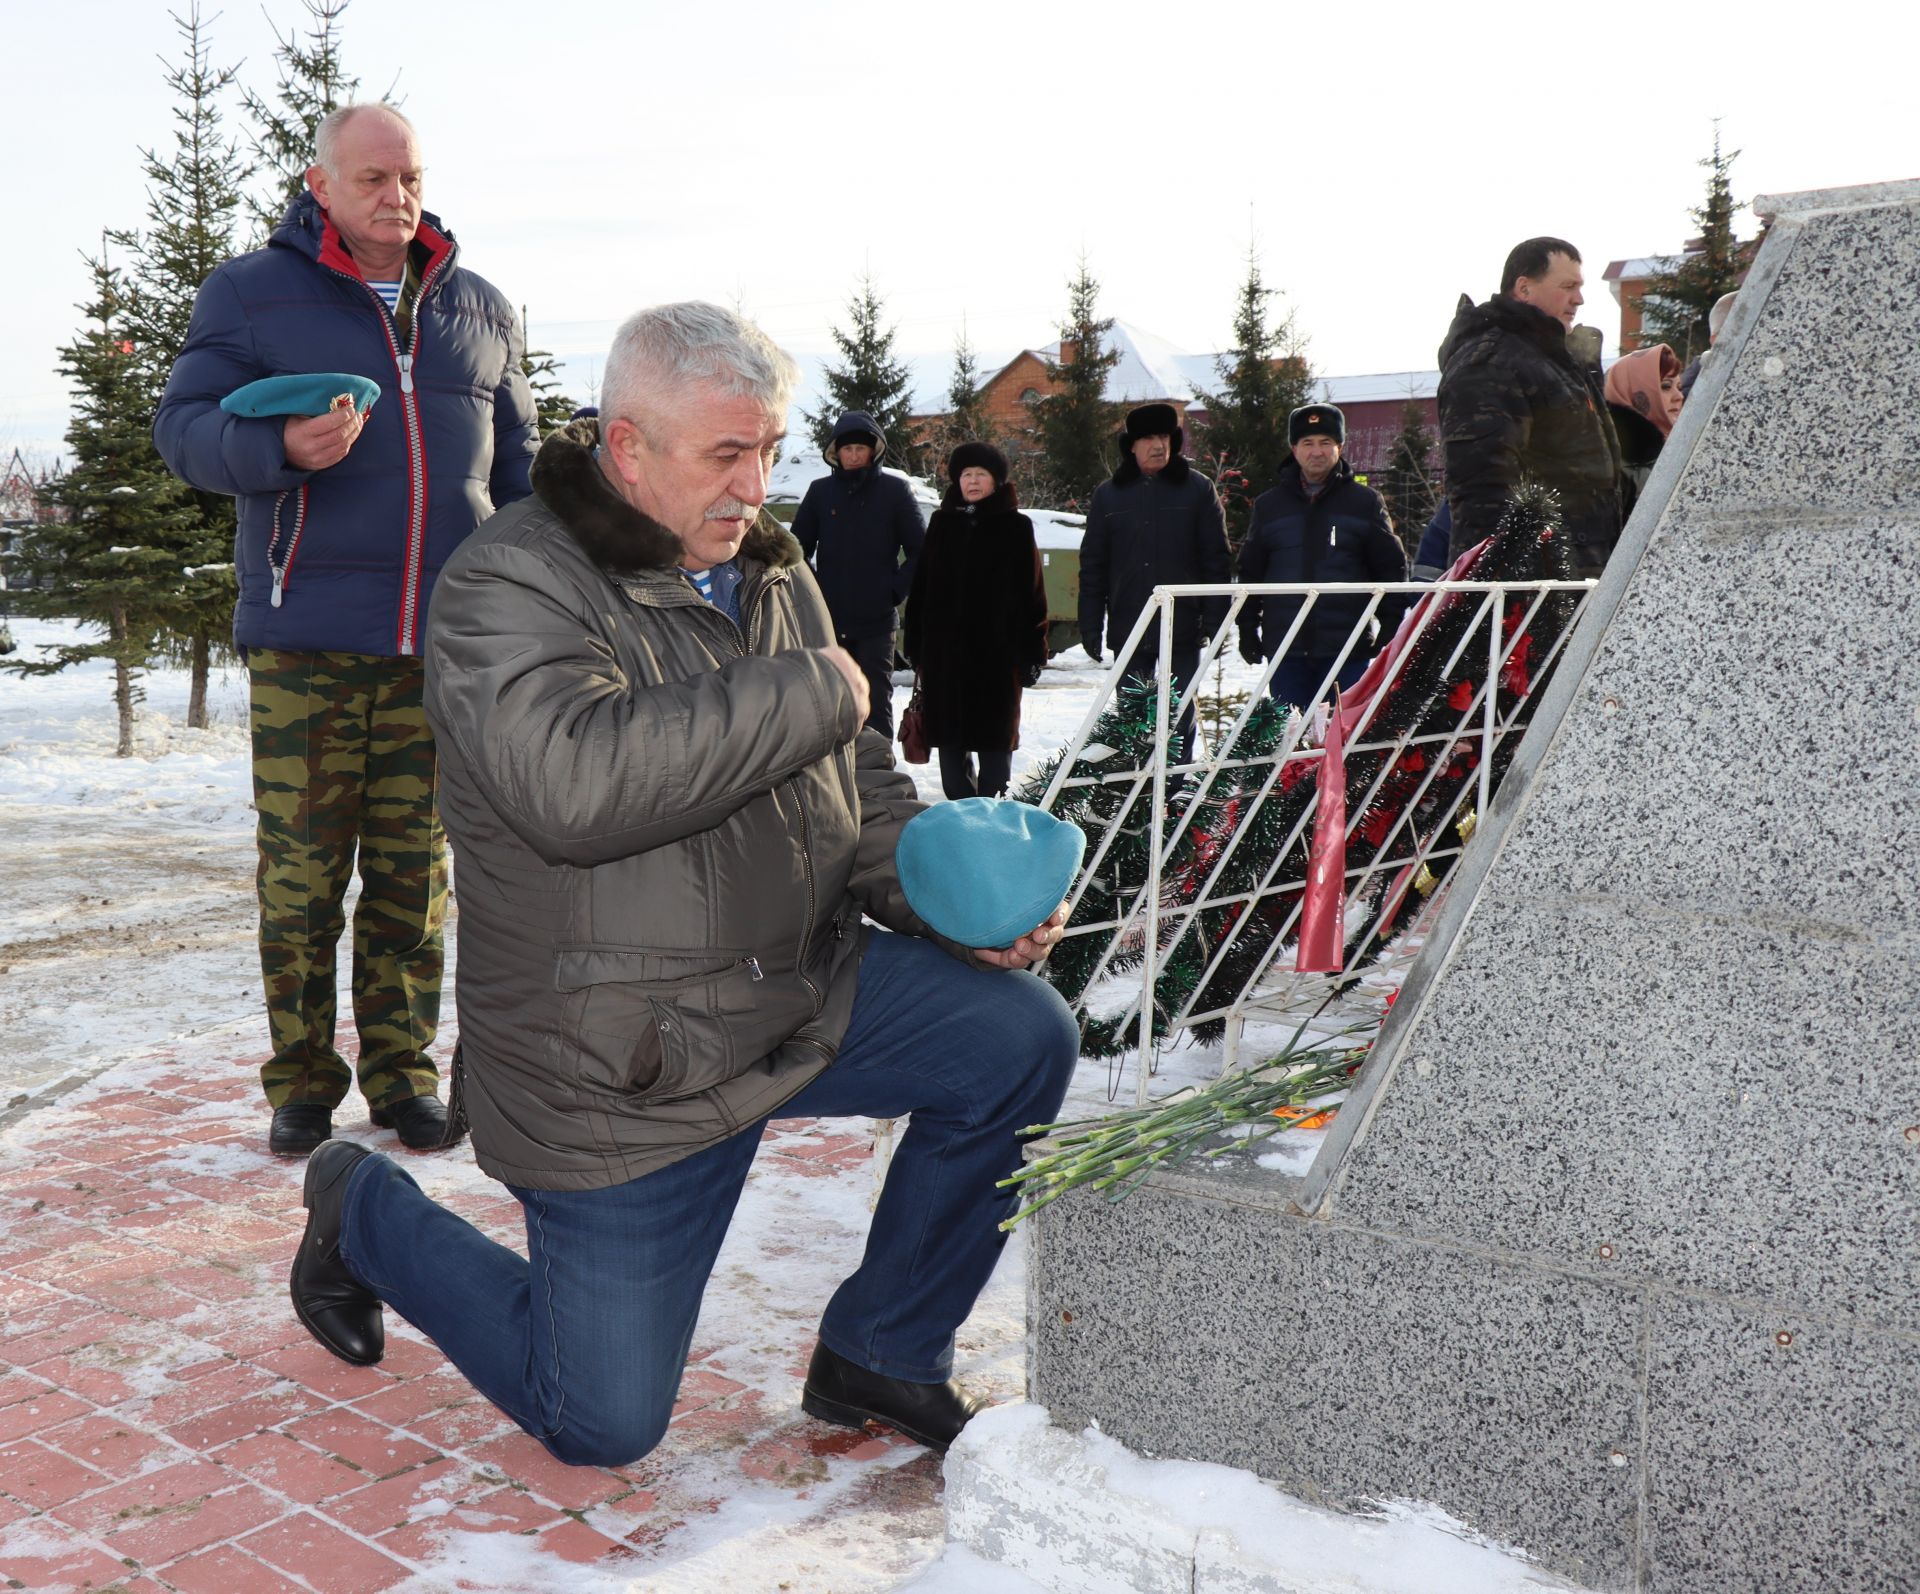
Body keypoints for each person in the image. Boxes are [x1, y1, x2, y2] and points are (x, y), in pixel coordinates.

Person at [286, 302, 1081, 1469]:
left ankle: (884, 1346)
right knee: (599, 1421)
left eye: (768, 449)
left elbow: (855, 781)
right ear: (626, 447)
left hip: (801, 989)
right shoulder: (507, 581)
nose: (755, 485)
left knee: (1018, 1036)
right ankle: (361, 1210)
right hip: (627, 1059)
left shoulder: (767, 567)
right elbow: (577, 785)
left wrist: (945, 908)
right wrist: (817, 688)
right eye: (725, 454)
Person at [154, 103, 537, 1158]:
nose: (394, 196)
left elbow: (520, 482)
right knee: (303, 881)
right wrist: (278, 444)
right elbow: (182, 429)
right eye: (371, 178)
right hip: (306, 641)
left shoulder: (481, 309)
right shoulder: (250, 292)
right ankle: (301, 1085)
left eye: (408, 176)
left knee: (416, 883)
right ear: (318, 182)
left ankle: (405, 1078)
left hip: (439, 653)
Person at [1437, 237, 1622, 578]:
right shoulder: (1492, 363)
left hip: (1582, 568)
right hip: (1536, 585)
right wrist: (1498, 591)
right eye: (1567, 286)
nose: (1578, 299)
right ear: (1524, 288)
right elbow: (1483, 489)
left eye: (1579, 287)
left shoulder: (1556, 360)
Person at [1078, 403, 1231, 757]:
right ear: (1131, 445)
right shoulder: (1109, 495)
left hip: (1183, 625)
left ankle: (1174, 794)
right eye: (1147, 438)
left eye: (1164, 436)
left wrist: (1216, 618)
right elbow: (1094, 563)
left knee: (1179, 715)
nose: (1157, 445)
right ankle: (1136, 792)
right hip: (1128, 622)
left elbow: (1216, 559)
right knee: (1132, 717)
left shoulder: (1197, 489)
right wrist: (1089, 622)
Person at [1236, 405, 1409, 709]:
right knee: (1291, 742)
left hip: (1345, 649)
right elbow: (1251, 572)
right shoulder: (1269, 506)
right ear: (1294, 448)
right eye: (1308, 443)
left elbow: (1390, 566)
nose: (1316, 452)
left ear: (1340, 447)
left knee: (1342, 737)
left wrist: (1390, 624)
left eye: (1325, 442)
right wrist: (1247, 628)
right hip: (1286, 648)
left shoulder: (1364, 502)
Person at [902, 442, 1049, 800]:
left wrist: (1033, 653)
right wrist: (916, 646)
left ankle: (994, 828)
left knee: (995, 754)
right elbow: (921, 589)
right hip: (945, 659)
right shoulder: (941, 523)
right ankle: (962, 825)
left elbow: (1034, 594)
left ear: (995, 481)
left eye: (980, 474)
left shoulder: (1016, 526)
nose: (972, 480)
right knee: (951, 755)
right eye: (966, 474)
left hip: (997, 660)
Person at [792, 412, 926, 740]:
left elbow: (922, 551)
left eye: (860, 449)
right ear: (835, 452)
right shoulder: (820, 492)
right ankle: (836, 778)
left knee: (875, 702)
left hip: (876, 622)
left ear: (873, 451)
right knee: (832, 701)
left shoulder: (895, 491)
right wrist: (814, 590)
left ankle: (879, 780)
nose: (853, 455)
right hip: (829, 619)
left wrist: (893, 592)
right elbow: (795, 549)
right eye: (847, 448)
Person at [1604, 343, 1685, 519]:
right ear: (1633, 390)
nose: (1679, 396)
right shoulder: (1614, 458)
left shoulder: (1678, 446)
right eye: (1665, 386)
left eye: (1678, 387)